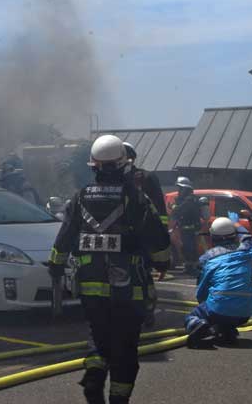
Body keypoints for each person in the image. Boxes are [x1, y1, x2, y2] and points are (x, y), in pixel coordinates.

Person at [48, 135, 170, 404]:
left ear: (94, 166)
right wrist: (162, 263)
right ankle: (117, 400)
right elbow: (158, 239)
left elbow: (64, 237)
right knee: (125, 345)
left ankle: (94, 375)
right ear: (124, 164)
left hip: (91, 285)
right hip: (128, 287)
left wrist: (56, 266)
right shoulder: (135, 198)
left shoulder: (80, 198)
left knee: (98, 335)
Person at [184, 217, 252, 347]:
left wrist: (203, 304)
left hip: (219, 309)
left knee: (195, 315)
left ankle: (199, 325)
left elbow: (202, 289)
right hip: (245, 313)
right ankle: (227, 330)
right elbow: (247, 237)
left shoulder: (208, 257)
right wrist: (236, 223)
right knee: (225, 312)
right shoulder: (247, 251)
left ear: (213, 237)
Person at [123, 142, 169, 329]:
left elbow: (159, 211)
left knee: (142, 276)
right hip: (122, 239)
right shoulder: (108, 180)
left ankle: (146, 311)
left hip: (140, 239)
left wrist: (160, 242)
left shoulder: (146, 178)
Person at [170, 177, 200, 275]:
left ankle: (191, 268)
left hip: (189, 228)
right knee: (187, 248)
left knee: (189, 248)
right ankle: (189, 267)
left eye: (180, 189)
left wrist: (172, 206)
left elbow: (180, 210)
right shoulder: (187, 199)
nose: (179, 191)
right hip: (186, 228)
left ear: (186, 189)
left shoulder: (189, 200)